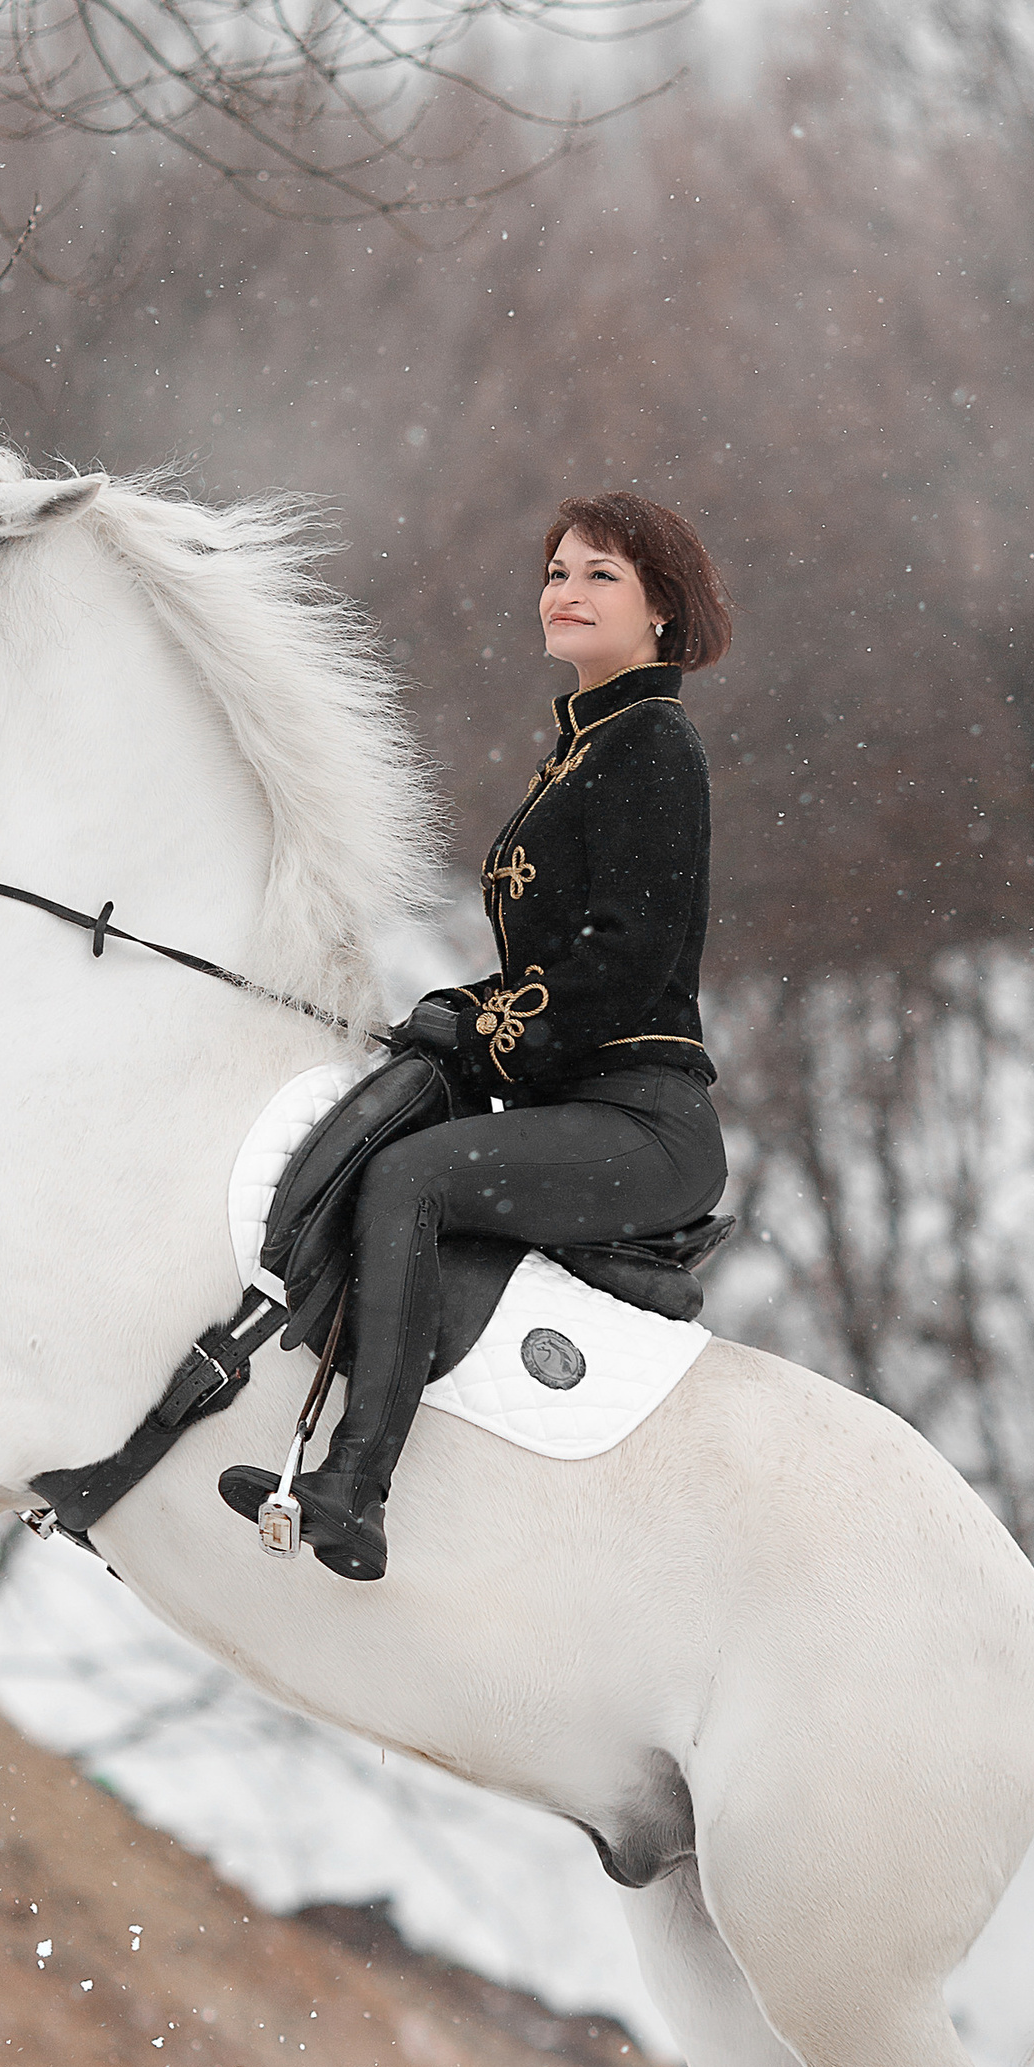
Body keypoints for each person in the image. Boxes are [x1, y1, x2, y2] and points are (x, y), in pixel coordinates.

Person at [224, 490, 731, 1579]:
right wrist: (463, 1011)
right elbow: (560, 972)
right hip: (577, 1101)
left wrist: (482, 1029)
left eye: (600, 574)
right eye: (556, 571)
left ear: (663, 610)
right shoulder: (584, 748)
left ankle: (353, 1488)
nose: (565, 590)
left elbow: (623, 965)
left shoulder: (649, 744)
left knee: (408, 1179)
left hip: (641, 1120)